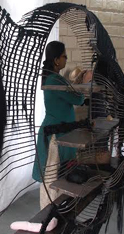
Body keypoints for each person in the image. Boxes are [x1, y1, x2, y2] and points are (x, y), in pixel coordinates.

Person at [33, 41, 85, 207]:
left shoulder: (51, 77)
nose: (66, 59)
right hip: (55, 135)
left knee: (56, 175)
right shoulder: (56, 79)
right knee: (52, 178)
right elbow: (78, 99)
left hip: (55, 131)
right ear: (56, 60)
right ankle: (49, 214)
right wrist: (82, 84)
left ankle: (55, 212)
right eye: (64, 56)